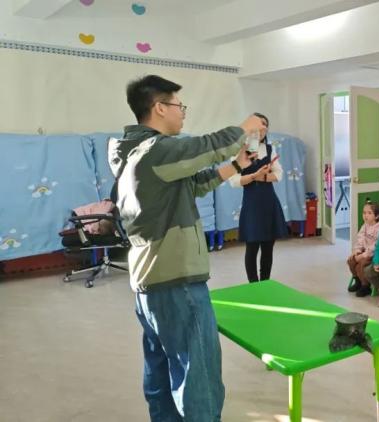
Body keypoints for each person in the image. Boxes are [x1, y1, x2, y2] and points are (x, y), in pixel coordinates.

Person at [110, 74, 265, 421]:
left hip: (151, 283)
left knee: (162, 375)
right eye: (180, 106)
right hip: (177, 281)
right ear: (159, 107)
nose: (183, 113)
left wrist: (236, 165)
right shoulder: (156, 150)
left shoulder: (135, 154)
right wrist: (245, 127)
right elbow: (206, 146)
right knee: (199, 379)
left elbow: (194, 184)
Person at [236, 113, 287, 282]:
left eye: (265, 124)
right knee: (252, 247)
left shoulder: (270, 149)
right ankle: (253, 285)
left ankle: (265, 283)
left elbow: (279, 175)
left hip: (269, 203)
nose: (262, 127)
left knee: (268, 248)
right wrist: (254, 176)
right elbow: (235, 180)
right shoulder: (241, 150)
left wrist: (261, 177)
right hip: (251, 205)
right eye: (259, 123)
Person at [347, 202, 379, 296]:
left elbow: (376, 246)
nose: (365, 215)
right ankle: (357, 280)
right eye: (364, 213)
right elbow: (360, 239)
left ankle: (365, 285)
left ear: (377, 216)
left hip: (374, 254)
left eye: (369, 213)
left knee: (362, 264)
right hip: (364, 251)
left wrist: (363, 255)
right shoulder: (365, 226)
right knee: (351, 260)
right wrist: (357, 251)